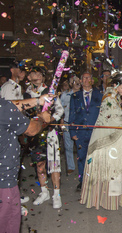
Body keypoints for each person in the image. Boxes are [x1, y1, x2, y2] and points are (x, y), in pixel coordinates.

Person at [80, 74, 122, 210]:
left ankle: (103, 199)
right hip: (106, 140)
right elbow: (116, 120)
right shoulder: (110, 97)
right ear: (116, 85)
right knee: (110, 168)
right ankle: (105, 201)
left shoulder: (112, 95)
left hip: (107, 137)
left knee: (110, 169)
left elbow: (114, 114)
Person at [0, 95, 52, 233]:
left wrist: (37, 101)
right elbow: (32, 129)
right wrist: (42, 119)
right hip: (3, 184)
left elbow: (8, 105)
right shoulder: (3, 109)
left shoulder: (4, 107)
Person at [23, 67, 64, 209]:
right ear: (29, 77)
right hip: (35, 134)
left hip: (51, 132)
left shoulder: (50, 91)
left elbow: (60, 109)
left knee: (54, 165)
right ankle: (44, 191)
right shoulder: (25, 94)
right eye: (34, 73)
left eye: (40, 73)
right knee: (39, 164)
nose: (38, 76)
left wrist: (51, 119)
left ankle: (56, 194)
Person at [69, 72, 103, 190]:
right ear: (81, 81)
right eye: (84, 78)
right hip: (81, 132)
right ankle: (82, 180)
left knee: (96, 157)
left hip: (96, 131)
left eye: (89, 77)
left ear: (92, 81)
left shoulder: (100, 95)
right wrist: (72, 131)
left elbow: (103, 114)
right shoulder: (74, 96)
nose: (86, 79)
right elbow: (72, 114)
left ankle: (95, 180)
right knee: (81, 157)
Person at [59, 76, 80, 175]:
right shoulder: (65, 95)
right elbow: (60, 109)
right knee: (68, 145)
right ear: (71, 84)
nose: (76, 83)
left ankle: (82, 164)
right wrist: (61, 122)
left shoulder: (83, 94)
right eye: (73, 81)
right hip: (67, 123)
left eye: (78, 80)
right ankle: (70, 166)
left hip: (80, 124)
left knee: (81, 145)